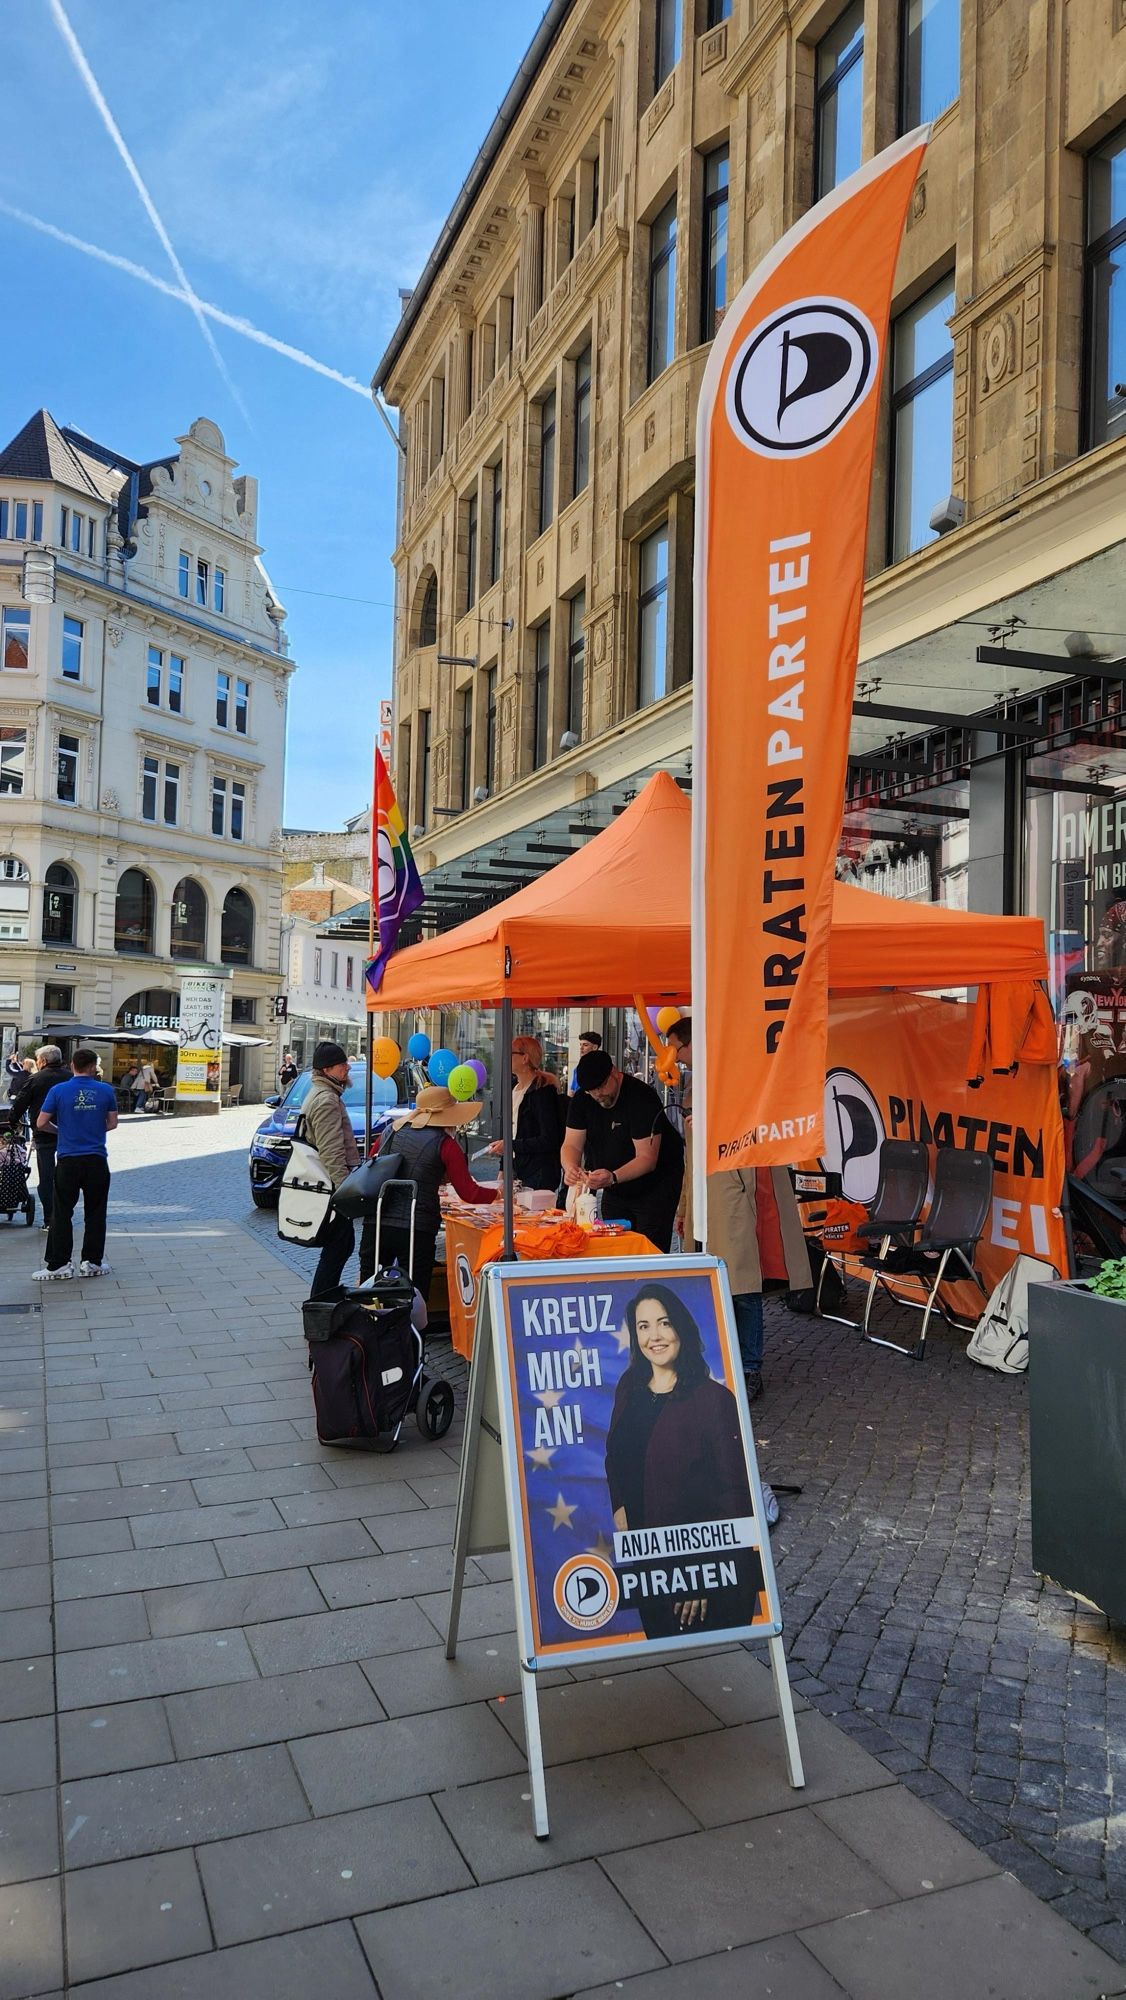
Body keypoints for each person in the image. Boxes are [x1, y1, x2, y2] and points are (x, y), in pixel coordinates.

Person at [605, 1283, 763, 1639]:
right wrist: (621, 1504)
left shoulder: (713, 1401)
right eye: (643, 1326)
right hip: (650, 1562)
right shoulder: (629, 1386)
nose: (654, 1336)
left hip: (703, 1580)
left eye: (664, 1323)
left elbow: (735, 1497)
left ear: (681, 1328)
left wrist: (704, 1573)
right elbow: (615, 1455)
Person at [359, 1084, 497, 1298]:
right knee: (413, 1295)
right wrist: (498, 1194)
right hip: (416, 1226)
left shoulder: (389, 1131)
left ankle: (367, 1328)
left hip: (376, 1221)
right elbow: (469, 1193)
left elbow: (372, 1164)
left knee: (369, 1290)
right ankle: (410, 1331)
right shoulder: (446, 1145)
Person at [707, 1167, 812, 1402]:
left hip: (740, 1196)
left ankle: (749, 1368)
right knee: (718, 1288)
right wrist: (685, 1207)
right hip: (712, 1201)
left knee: (743, 1286)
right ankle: (727, 1364)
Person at [563, 1049, 684, 1251]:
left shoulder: (641, 1097)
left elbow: (647, 1158)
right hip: (614, 1187)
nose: (598, 1095)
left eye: (601, 1087)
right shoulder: (583, 1099)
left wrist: (612, 1177)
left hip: (656, 1185)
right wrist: (570, 1167)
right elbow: (571, 1144)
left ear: (615, 1073)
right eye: (591, 1091)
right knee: (615, 1246)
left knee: (649, 1247)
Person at [33, 1048, 118, 1280]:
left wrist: (61, 1132)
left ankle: (59, 1264)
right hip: (96, 1159)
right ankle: (92, 1262)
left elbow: (41, 1123)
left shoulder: (58, 1090)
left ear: (72, 1066)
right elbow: (112, 1123)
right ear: (93, 1067)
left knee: (61, 1212)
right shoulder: (105, 1090)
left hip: (68, 1159)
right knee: (96, 1211)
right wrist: (92, 1128)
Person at [304, 1042, 360, 1299]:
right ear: (327, 1070)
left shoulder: (323, 1093)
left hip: (329, 1185)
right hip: (332, 1187)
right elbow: (331, 1151)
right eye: (342, 1065)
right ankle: (320, 1306)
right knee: (339, 1246)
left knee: (340, 1246)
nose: (347, 1068)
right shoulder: (326, 1099)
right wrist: (345, 1191)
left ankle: (323, 1302)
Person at [485, 1034, 565, 1190]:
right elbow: (512, 1133)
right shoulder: (513, 1087)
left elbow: (549, 1138)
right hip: (516, 1168)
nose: (506, 1057)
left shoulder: (543, 1092)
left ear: (525, 1058)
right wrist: (503, 1168)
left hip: (538, 1172)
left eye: (511, 1053)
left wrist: (511, 1145)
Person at [6, 1044, 66, 1231]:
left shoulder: (36, 1079)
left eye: (39, 1060)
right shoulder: (70, 1078)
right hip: (68, 1133)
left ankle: (50, 1219)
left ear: (43, 1061)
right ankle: (64, 1216)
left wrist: (13, 1121)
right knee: (66, 1176)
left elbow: (20, 1104)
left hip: (44, 1133)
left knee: (46, 1177)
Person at [667, 1017, 693, 1247]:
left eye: (676, 1050)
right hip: (696, 1190)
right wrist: (684, 1208)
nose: (675, 1057)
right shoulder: (691, 1085)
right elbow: (689, 1156)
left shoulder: (717, 1080)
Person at [569, 1029, 602, 1094]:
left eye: (585, 1045)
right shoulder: (578, 1068)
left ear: (595, 1047)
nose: (581, 1048)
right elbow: (572, 1091)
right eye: (580, 1045)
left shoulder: (600, 1067)